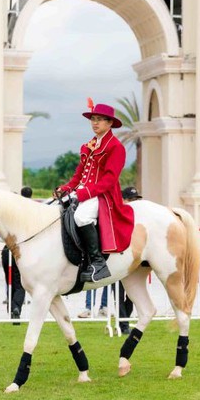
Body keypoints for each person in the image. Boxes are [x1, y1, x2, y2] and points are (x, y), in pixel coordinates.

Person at [54, 100, 135, 283]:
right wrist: (65, 189)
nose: (95, 123)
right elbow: (78, 176)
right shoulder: (88, 146)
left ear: (110, 123)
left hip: (102, 196)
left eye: (99, 120)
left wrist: (80, 194)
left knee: (81, 217)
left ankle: (98, 262)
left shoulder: (115, 147)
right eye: (93, 119)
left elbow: (108, 181)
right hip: (84, 192)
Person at [2, 186, 31, 322]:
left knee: (10, 280)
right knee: (20, 282)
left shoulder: (8, 214)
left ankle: (11, 307)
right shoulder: (31, 210)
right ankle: (16, 308)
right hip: (21, 250)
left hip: (6, 250)